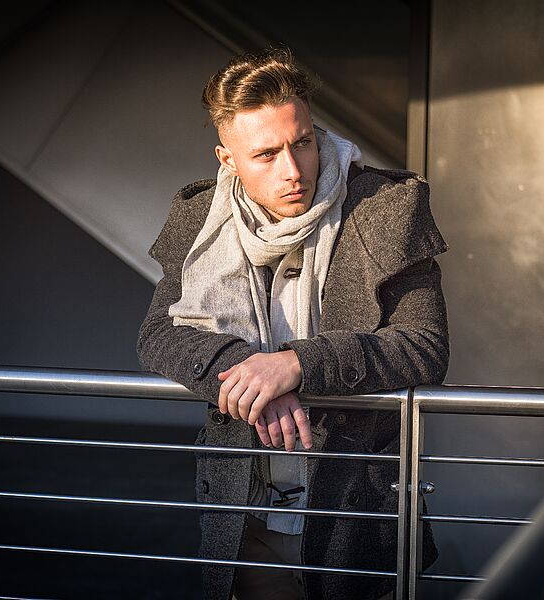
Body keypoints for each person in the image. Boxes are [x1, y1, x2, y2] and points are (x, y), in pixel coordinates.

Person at [137, 47, 449, 600]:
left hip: (354, 511)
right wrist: (254, 374)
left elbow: (423, 347)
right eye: (265, 155)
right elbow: (159, 336)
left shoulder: (386, 206)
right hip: (245, 512)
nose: (293, 171)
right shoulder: (196, 216)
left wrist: (298, 364)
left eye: (302, 142)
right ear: (227, 158)